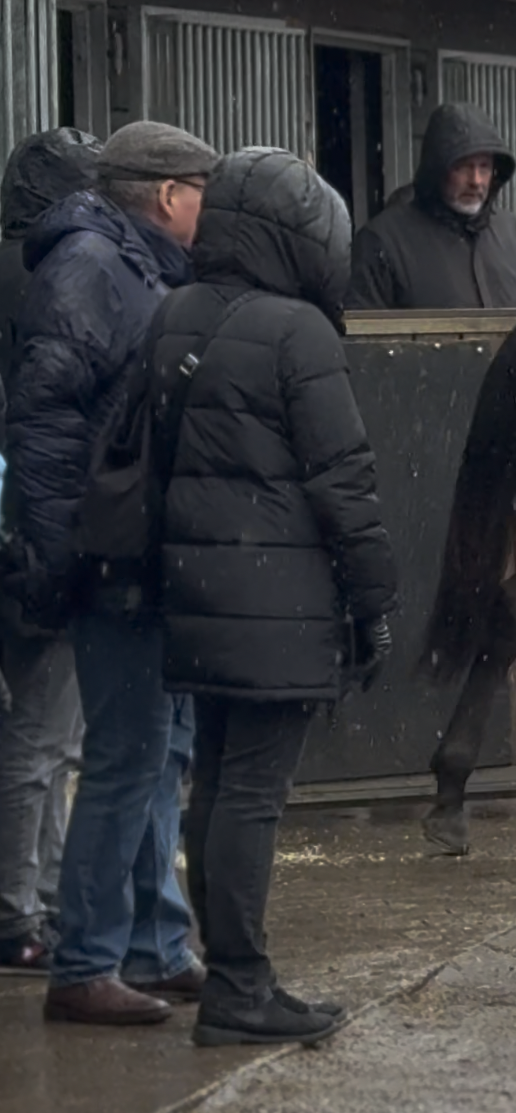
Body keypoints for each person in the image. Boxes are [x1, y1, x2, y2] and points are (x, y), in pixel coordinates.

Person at [151, 147, 396, 1046]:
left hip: (196, 595)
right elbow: (344, 482)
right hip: (280, 599)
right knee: (253, 795)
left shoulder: (172, 313)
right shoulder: (299, 332)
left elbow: (149, 462)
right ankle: (242, 990)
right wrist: (374, 602)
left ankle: (230, 976)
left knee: (213, 786)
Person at [7, 121, 216, 1025]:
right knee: (125, 757)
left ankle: (154, 944)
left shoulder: (129, 264)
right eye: (202, 188)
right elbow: (48, 426)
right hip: (112, 556)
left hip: (138, 548)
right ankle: (87, 963)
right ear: (168, 195)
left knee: (155, 751)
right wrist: (61, 563)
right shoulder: (94, 267)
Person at [0, 128, 100, 973]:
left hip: (9, 529)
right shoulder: (55, 282)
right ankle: (22, 912)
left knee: (33, 733)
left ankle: (35, 904)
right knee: (45, 737)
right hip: (36, 535)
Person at [348, 102, 516, 310]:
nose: (476, 181)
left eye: (485, 167)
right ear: (436, 169)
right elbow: (364, 337)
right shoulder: (383, 242)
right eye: (462, 167)